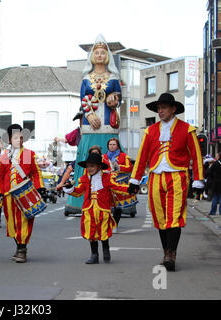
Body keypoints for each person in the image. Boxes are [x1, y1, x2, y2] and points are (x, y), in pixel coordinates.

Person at [128, 93, 204, 272]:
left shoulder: (187, 129)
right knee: (160, 217)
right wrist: (135, 179)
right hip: (155, 177)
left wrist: (198, 180)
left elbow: (196, 156)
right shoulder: (151, 130)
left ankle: (172, 254)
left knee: (174, 216)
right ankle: (166, 252)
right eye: (158, 108)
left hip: (177, 177)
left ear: (173, 109)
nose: (160, 111)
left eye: (163, 107)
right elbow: (142, 157)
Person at [67, 34, 122, 214]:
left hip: (108, 124)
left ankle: (111, 197)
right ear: (92, 56)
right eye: (96, 52)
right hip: (90, 125)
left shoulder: (113, 77)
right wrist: (89, 115)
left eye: (102, 52)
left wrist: (115, 99)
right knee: (87, 158)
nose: (99, 55)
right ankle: (82, 199)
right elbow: (83, 100)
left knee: (110, 158)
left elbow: (119, 97)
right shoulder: (86, 78)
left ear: (107, 56)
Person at [63, 153, 130, 264]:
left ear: (99, 166)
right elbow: (79, 192)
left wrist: (131, 188)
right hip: (88, 210)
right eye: (88, 166)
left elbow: (117, 187)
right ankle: (94, 255)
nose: (90, 168)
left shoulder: (107, 178)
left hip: (103, 210)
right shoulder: (84, 179)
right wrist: (70, 188)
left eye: (92, 166)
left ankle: (106, 250)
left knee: (103, 231)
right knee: (91, 232)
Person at [0, 124, 45, 263]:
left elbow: (35, 172)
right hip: (9, 196)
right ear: (10, 140)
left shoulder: (28, 154)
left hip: (24, 194)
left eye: (21, 137)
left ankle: (22, 249)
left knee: (24, 222)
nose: (19, 140)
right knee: (12, 224)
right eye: (16, 137)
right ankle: (19, 246)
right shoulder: (5, 156)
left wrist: (39, 187)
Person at [103, 138, 135, 232]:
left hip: (119, 183)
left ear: (117, 146)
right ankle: (107, 224)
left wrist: (119, 167)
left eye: (114, 144)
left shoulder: (123, 156)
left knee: (117, 206)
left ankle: (115, 225)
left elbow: (129, 168)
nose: (112, 146)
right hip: (107, 183)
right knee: (106, 205)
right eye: (110, 144)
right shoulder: (104, 157)